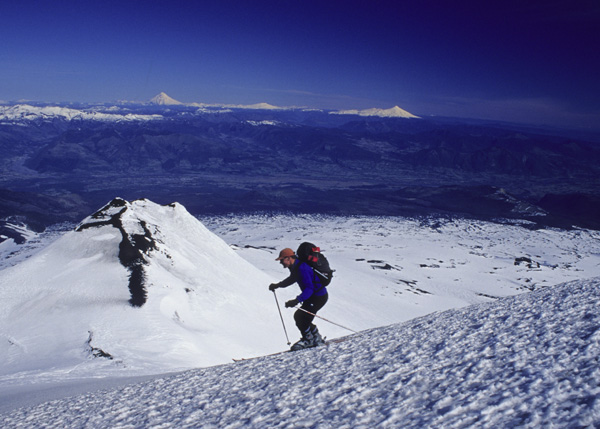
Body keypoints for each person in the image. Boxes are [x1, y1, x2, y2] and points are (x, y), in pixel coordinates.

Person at [269, 247, 328, 351]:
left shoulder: (302, 268)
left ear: (288, 258)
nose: (281, 263)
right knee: (302, 318)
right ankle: (315, 339)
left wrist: (297, 300)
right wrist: (278, 285)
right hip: (314, 296)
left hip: (318, 297)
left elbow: (309, 288)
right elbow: (292, 279)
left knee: (301, 317)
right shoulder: (296, 266)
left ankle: (309, 340)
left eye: (282, 260)